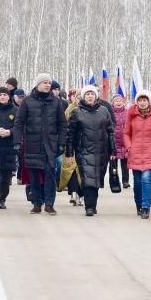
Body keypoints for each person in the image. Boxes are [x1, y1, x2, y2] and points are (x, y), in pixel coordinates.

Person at [14, 73, 66, 215]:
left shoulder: (56, 102)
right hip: (32, 143)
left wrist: (62, 142)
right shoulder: (27, 101)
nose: (48, 85)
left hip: (50, 144)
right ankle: (37, 203)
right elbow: (19, 123)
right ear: (38, 85)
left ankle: (49, 204)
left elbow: (62, 124)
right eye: (44, 83)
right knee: (34, 175)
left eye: (49, 83)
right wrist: (17, 141)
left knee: (50, 174)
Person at [65, 85, 115, 216]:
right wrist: (69, 152)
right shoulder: (77, 112)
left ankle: (93, 204)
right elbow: (70, 134)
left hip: (101, 152)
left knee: (97, 179)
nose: (90, 96)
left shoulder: (104, 111)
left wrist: (113, 151)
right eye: (87, 94)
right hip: (83, 151)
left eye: (92, 94)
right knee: (88, 179)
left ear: (96, 96)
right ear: (83, 96)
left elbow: (110, 132)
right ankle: (89, 207)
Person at [124, 91, 151, 219]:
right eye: (140, 100)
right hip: (135, 152)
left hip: (150, 152)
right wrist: (129, 146)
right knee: (137, 182)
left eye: (144, 100)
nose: (142, 103)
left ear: (149, 101)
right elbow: (125, 133)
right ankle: (139, 205)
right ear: (137, 102)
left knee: (147, 180)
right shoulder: (131, 115)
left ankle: (146, 207)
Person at [111, 94, 129, 189]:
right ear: (113, 103)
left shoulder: (127, 112)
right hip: (114, 141)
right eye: (116, 101)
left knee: (125, 163)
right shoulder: (110, 113)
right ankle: (115, 181)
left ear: (123, 102)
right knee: (114, 163)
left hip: (125, 141)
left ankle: (125, 181)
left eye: (120, 101)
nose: (118, 103)